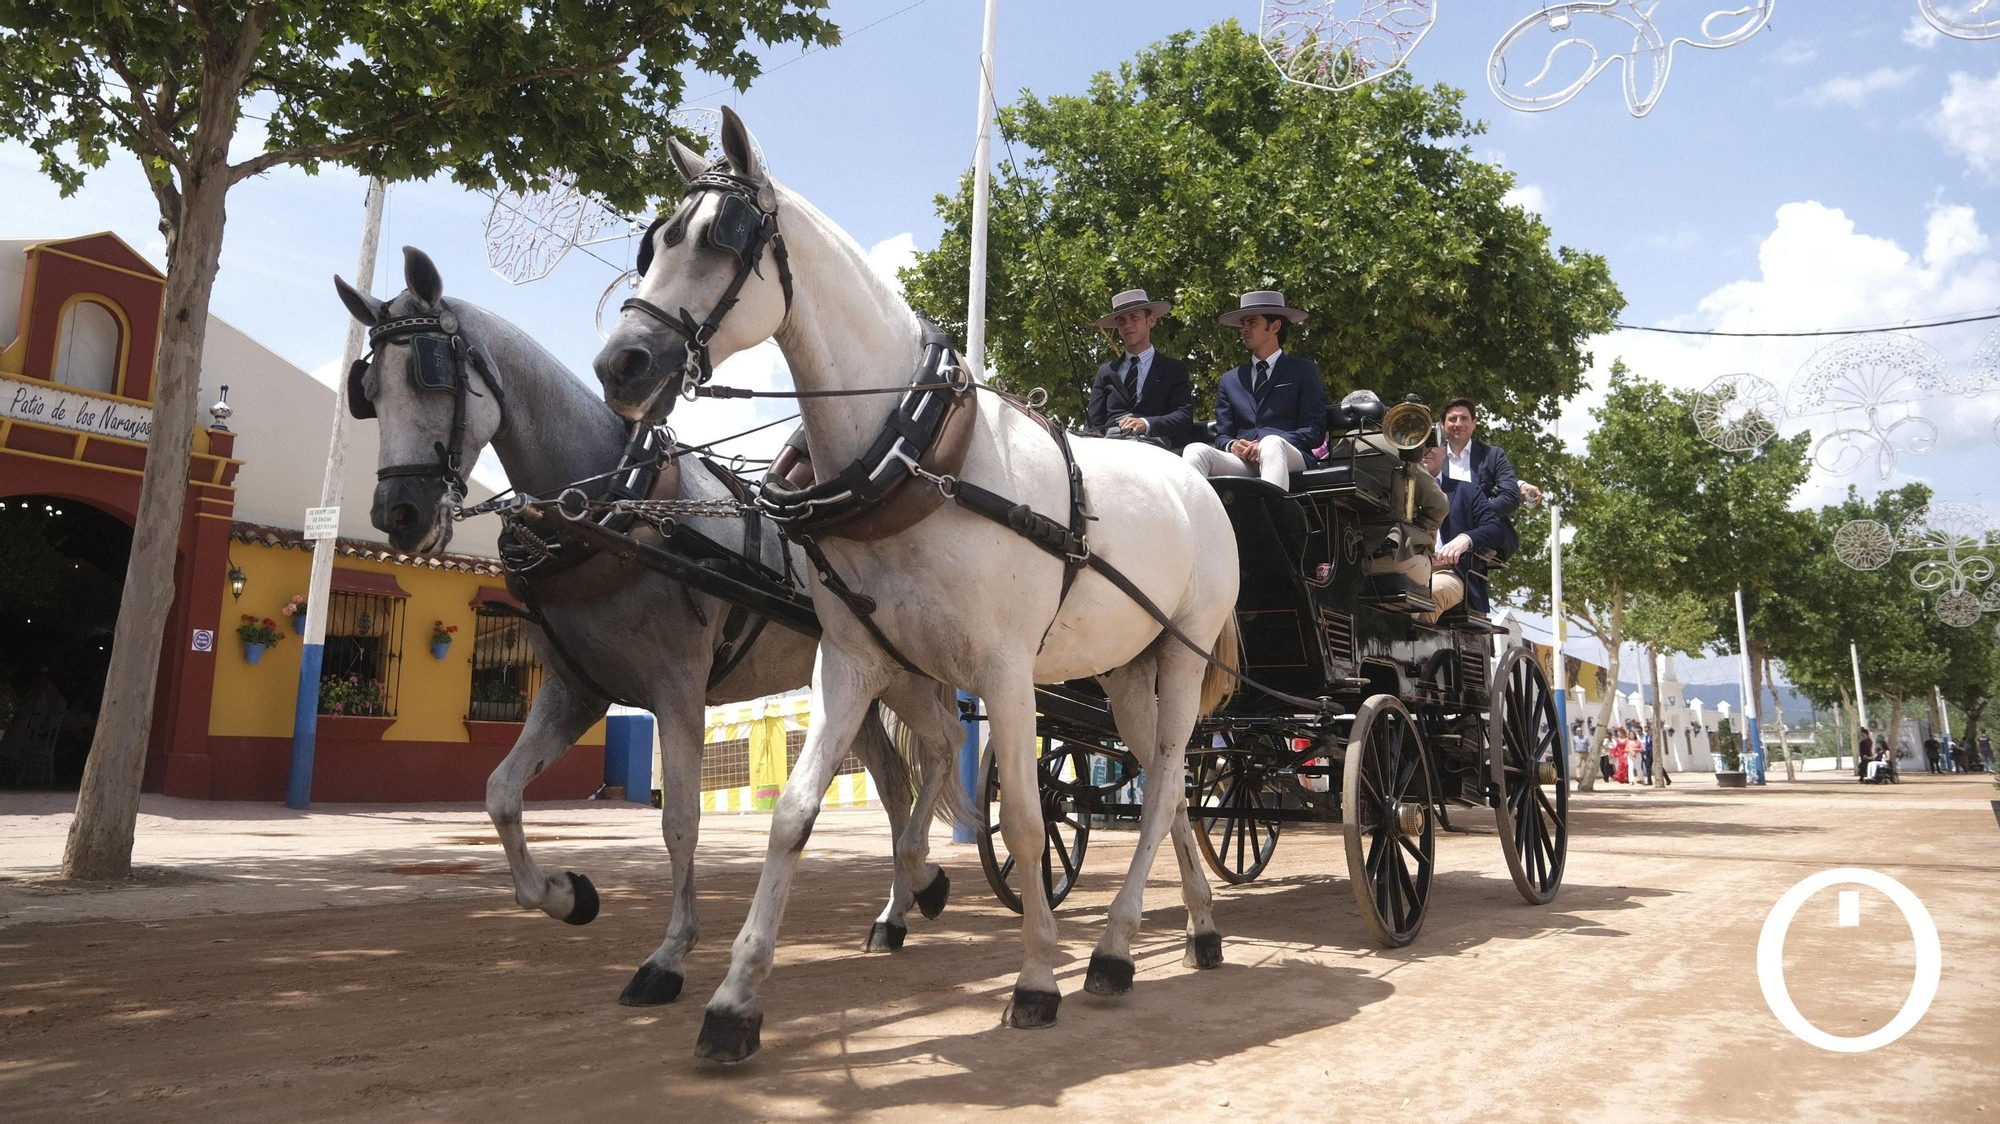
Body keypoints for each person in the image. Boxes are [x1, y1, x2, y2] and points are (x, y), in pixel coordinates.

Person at [1184, 290, 1327, 491]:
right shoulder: (1230, 379)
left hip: (1289, 455)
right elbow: (1223, 435)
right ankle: (1199, 521)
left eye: (1252, 323)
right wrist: (1232, 445)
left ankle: (1272, 520)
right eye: (1243, 324)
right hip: (1245, 461)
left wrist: (1265, 444)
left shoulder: (1303, 370)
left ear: (1275, 326)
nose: (1243, 329)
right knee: (1195, 451)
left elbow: (1315, 431)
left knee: (1271, 444)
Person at [1084, 288, 1194, 447]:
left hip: (1154, 445)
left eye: (1134, 317)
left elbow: (1183, 416)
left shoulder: (1174, 369)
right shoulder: (1106, 372)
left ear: (1151, 320)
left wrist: (1145, 423)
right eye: (1121, 320)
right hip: (1110, 447)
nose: (1127, 324)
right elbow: (1092, 423)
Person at [1434, 398, 1542, 558]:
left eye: (1464, 418)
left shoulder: (1493, 455)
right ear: (1442, 425)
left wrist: (1474, 513)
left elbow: (1510, 496)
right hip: (1438, 534)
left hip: (1481, 539)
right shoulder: (1432, 454)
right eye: (1452, 419)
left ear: (1474, 423)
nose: (1458, 424)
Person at [1416, 436, 1506, 620]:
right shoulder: (1398, 487)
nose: (1427, 450)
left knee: (1427, 596)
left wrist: (1465, 539)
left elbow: (1495, 529)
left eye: (1433, 445)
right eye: (1420, 445)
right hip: (1406, 567)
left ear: (1444, 451)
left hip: (1449, 573)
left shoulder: (1467, 491)